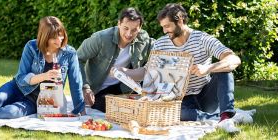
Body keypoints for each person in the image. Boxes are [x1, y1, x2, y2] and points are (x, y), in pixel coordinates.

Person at [152, 3, 252, 132]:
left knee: (224, 70)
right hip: (181, 101)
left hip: (206, 96)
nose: (164, 31)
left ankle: (226, 115)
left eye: (167, 26)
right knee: (176, 115)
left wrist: (208, 68)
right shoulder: (160, 44)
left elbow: (234, 59)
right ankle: (227, 118)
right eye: (163, 27)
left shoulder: (201, 38)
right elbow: (152, 72)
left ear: (180, 20)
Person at [0, 16, 85, 119]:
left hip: (36, 101)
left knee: (10, 113)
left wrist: (79, 109)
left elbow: (76, 82)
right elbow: (21, 78)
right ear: (45, 36)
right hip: (17, 88)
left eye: (61, 35)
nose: (59, 40)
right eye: (54, 37)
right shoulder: (31, 47)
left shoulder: (70, 53)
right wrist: (45, 76)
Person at [77, 7, 154, 112]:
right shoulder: (101, 39)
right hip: (97, 90)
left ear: (140, 28)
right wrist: (85, 87)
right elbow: (77, 59)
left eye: (134, 30)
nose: (129, 34)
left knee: (144, 105)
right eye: (125, 28)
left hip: (125, 88)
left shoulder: (143, 38)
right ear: (119, 24)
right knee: (113, 107)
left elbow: (159, 48)